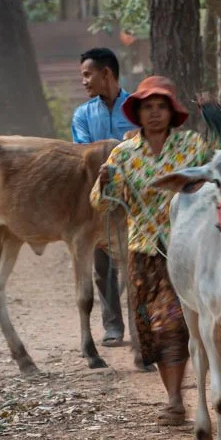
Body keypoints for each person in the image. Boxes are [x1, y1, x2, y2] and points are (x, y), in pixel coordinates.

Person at [90, 76, 217, 426]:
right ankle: (175, 397)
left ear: (172, 111)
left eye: (161, 106)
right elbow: (102, 204)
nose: (155, 113)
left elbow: (217, 178)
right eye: (148, 107)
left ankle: (181, 400)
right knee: (154, 328)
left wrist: (217, 119)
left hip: (190, 249)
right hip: (144, 252)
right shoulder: (123, 154)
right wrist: (104, 182)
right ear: (138, 113)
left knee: (173, 323)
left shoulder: (192, 146)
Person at [71, 47, 133, 347]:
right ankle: (113, 327)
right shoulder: (82, 115)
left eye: (88, 74)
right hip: (100, 199)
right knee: (104, 266)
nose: (84, 81)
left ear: (106, 73)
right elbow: (82, 154)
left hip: (136, 199)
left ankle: (143, 327)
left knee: (140, 264)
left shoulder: (136, 107)